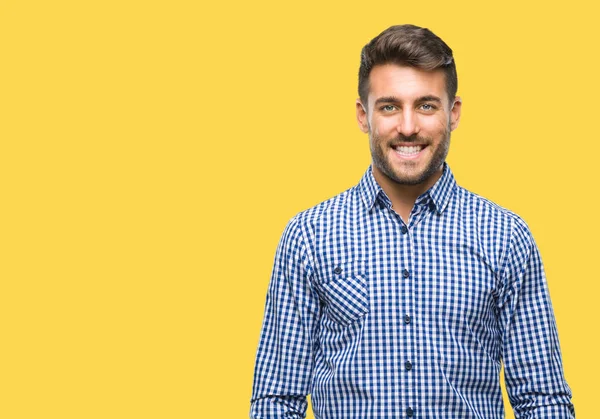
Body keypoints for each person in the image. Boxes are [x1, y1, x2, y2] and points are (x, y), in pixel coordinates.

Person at [250, 24, 574, 419]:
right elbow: (276, 401)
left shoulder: (505, 236)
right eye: (388, 106)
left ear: (452, 113)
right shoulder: (309, 236)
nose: (407, 127)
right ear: (363, 115)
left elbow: (543, 401)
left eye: (425, 105)